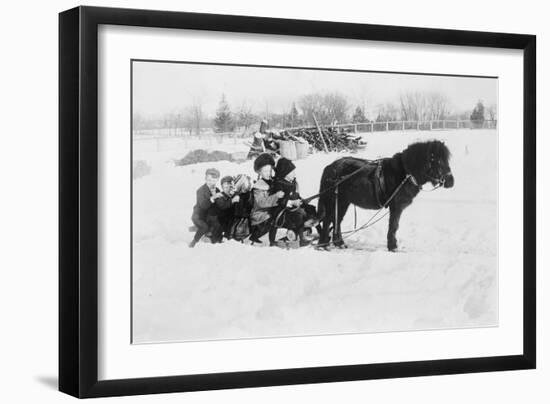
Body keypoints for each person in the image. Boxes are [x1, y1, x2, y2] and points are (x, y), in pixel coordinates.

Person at [269, 157, 313, 247]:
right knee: (299, 215)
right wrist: (292, 203)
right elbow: (278, 201)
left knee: (311, 209)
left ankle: (312, 230)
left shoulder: (292, 182)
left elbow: (296, 195)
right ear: (285, 173)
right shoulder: (278, 184)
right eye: (291, 172)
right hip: (282, 211)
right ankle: (301, 239)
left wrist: (302, 200)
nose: (294, 174)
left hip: (292, 208)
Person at [249, 153, 284, 245]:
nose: (268, 173)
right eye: (265, 171)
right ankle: (258, 237)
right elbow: (261, 203)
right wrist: (276, 196)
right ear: (259, 172)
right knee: (275, 218)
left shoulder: (273, 182)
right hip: (260, 214)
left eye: (270, 170)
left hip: (269, 211)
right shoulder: (258, 186)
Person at [189, 168, 224, 248]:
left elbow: (219, 205)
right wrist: (212, 198)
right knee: (204, 227)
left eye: (214, 181)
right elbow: (202, 206)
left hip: (209, 216)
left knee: (218, 223)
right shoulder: (200, 191)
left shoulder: (217, 190)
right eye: (209, 180)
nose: (211, 183)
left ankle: (217, 239)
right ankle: (193, 242)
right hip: (198, 215)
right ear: (205, 178)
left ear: (217, 180)